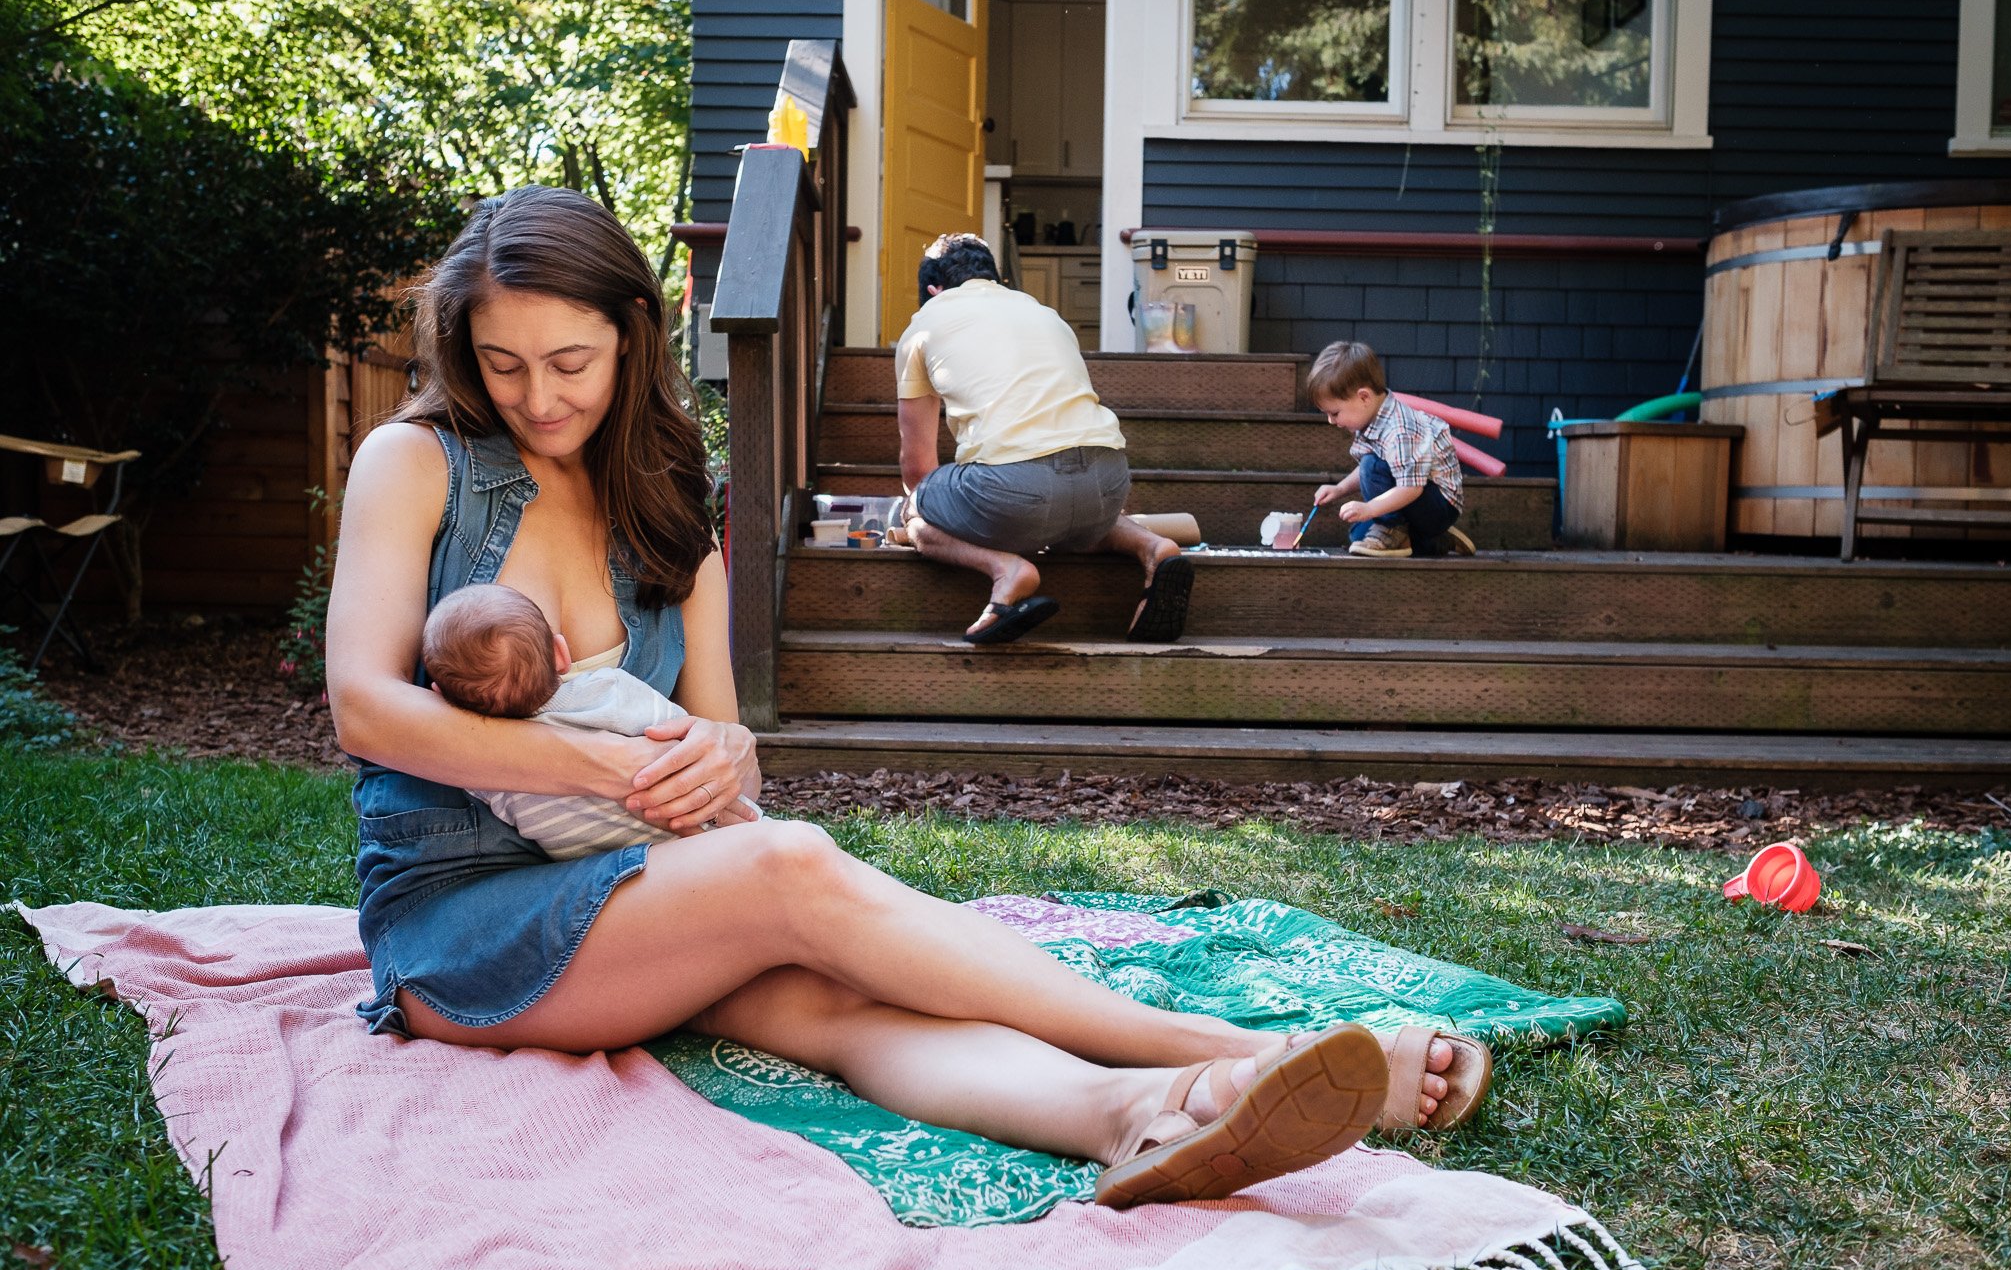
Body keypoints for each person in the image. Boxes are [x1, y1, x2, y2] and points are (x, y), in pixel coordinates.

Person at [327, 185, 1486, 1210]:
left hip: (643, 899)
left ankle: (1139, 1115)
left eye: (568, 361)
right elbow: (366, 712)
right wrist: (606, 770)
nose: (536, 397)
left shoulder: (666, 496)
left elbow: (733, 742)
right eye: (501, 363)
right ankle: (1255, 1047)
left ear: (632, 338)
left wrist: (722, 766)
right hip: (463, 920)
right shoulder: (416, 464)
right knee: (788, 868)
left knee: (844, 1003)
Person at [895, 232, 1193, 645]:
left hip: (1016, 494)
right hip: (1107, 481)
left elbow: (917, 464)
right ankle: (1153, 547)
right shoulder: (1042, 311)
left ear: (933, 290)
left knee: (920, 509)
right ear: (995, 279)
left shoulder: (924, 325)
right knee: (1066, 509)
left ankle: (1007, 571)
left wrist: (921, 515)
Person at [419, 581, 759, 861]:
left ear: (441, 695)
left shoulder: (488, 780)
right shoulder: (608, 689)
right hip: (707, 834)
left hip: (615, 872)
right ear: (561, 654)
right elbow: (682, 730)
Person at [1308, 341, 1476, 559]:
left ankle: (1398, 529)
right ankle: (1433, 539)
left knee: (1372, 466)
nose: (1331, 420)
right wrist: (1339, 489)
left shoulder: (1400, 430)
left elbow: (1410, 488)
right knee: (1358, 536)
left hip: (1438, 504)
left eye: (1335, 413)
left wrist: (1369, 509)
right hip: (1417, 500)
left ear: (1364, 397)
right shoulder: (1370, 419)